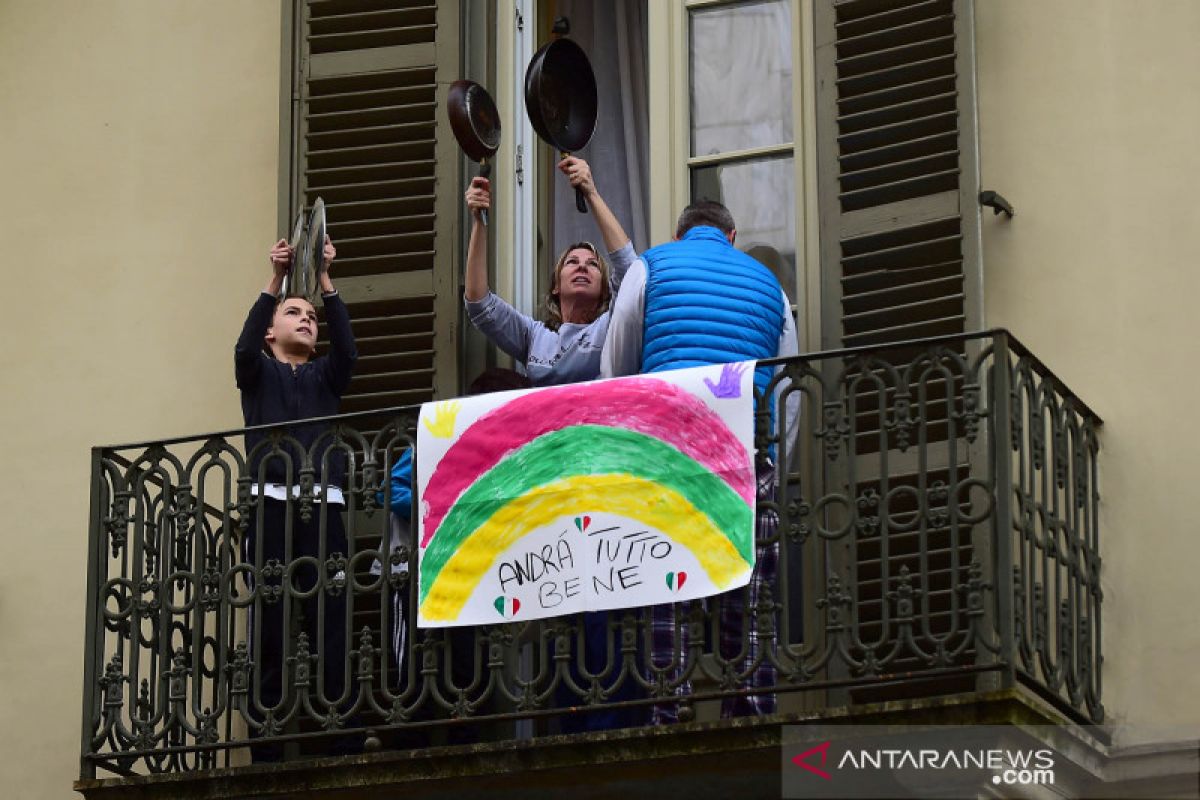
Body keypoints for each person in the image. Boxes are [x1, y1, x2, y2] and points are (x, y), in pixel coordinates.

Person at [600, 199, 800, 722]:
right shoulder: (770, 286)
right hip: (746, 455)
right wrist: (775, 464)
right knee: (750, 599)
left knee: (671, 591)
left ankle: (671, 710)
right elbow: (789, 393)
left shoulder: (650, 266)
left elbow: (615, 369)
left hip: (670, 457)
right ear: (730, 236)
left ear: (681, 233)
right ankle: (752, 708)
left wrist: (627, 452)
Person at [234, 235, 357, 760]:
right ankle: (264, 739)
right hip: (269, 505)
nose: (306, 319)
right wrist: (275, 281)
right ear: (271, 331)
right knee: (271, 619)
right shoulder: (257, 372)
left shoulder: (326, 376)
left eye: (311, 315)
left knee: (330, 618)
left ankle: (335, 730)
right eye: (293, 312)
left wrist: (326, 281)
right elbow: (240, 350)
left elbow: (348, 352)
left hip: (323, 507)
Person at [463, 157, 636, 386]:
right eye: (572, 262)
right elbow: (479, 305)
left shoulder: (611, 326)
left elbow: (629, 269)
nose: (582, 265)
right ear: (556, 285)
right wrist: (479, 220)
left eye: (593, 264)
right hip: (548, 422)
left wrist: (591, 192)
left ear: (605, 289)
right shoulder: (535, 336)